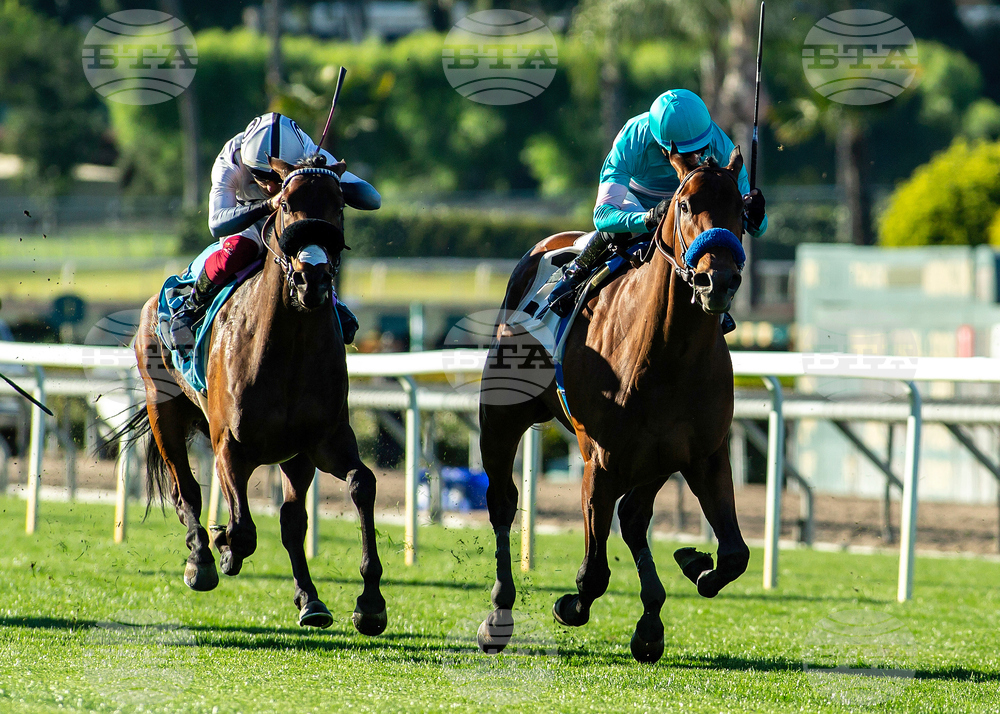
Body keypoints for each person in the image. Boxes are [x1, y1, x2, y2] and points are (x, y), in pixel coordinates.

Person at [169, 112, 380, 351]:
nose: (270, 186)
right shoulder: (232, 158)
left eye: (276, 177)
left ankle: (330, 297)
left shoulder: (307, 151)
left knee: (314, 248)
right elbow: (216, 223)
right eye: (260, 175)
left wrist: (327, 179)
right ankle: (192, 305)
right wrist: (269, 204)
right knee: (239, 250)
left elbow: (373, 199)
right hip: (244, 219)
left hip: (291, 217)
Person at [546, 89, 767, 316]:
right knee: (616, 231)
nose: (695, 159)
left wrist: (757, 216)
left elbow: (755, 228)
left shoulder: (722, 147)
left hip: (687, 208)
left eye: (699, 151)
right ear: (662, 144)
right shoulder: (632, 139)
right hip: (635, 201)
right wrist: (649, 218)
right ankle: (576, 272)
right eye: (685, 154)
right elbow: (603, 216)